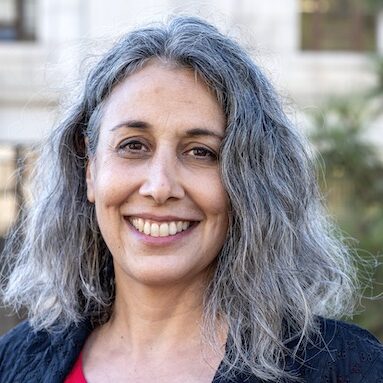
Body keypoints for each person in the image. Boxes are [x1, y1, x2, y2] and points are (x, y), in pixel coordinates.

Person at [0, 16, 382, 383]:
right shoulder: (15, 360)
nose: (160, 186)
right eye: (133, 146)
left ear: (249, 181)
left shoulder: (344, 367)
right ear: (90, 169)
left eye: (201, 152)